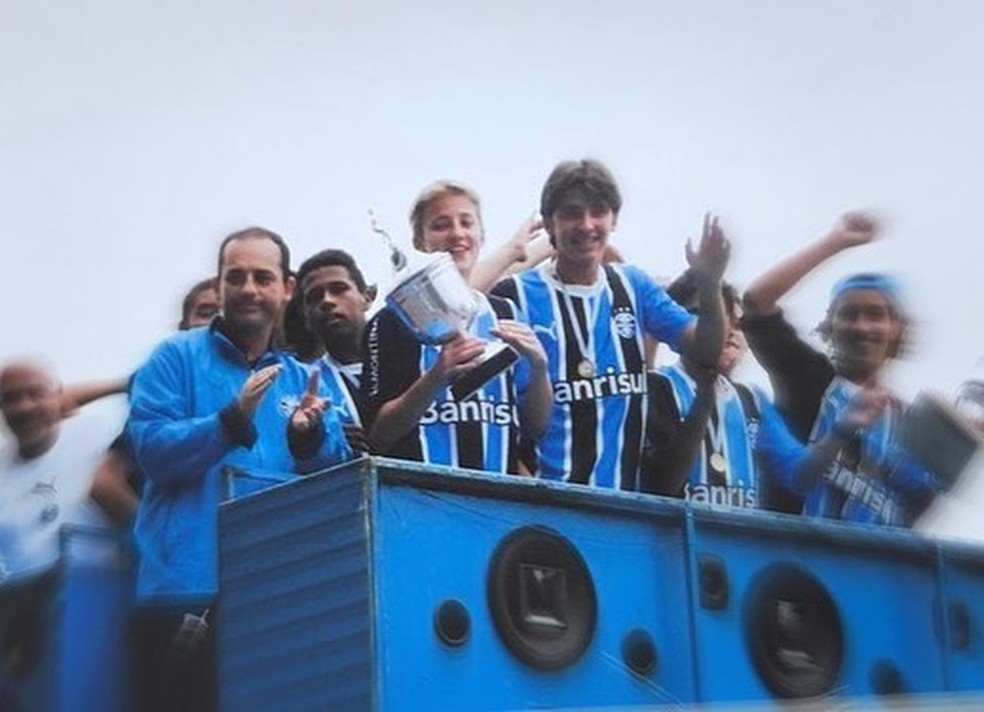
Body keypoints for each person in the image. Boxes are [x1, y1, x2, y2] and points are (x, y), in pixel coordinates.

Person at [126, 227, 353, 712]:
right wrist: (230, 420)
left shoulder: (302, 378)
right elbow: (151, 451)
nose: (249, 288)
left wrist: (307, 437)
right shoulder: (174, 357)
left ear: (286, 289)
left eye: (263, 277)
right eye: (237, 277)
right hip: (185, 594)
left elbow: (337, 476)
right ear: (220, 284)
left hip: (276, 599)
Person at [491, 158, 729, 489]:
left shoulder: (633, 286)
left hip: (621, 508)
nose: (587, 224)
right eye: (572, 213)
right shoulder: (515, 295)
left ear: (613, 218)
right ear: (549, 223)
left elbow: (706, 351)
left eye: (598, 211)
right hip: (546, 504)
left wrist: (710, 283)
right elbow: (519, 420)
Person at [741, 213, 940, 525]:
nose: (861, 326)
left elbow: (919, 511)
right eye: (849, 314)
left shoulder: (910, 424)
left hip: (871, 568)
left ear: (897, 328)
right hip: (791, 562)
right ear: (830, 326)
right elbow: (756, 301)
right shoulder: (808, 378)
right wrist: (835, 242)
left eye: (875, 315)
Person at [362, 181, 552, 474]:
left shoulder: (506, 312)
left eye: (466, 222)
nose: (457, 234)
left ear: (481, 234)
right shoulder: (390, 321)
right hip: (422, 500)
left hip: (498, 502)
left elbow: (536, 426)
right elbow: (379, 436)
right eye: (441, 225)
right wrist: (437, 377)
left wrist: (539, 367)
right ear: (420, 240)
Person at [0, 359, 120, 580]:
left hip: (95, 594)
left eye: (35, 394)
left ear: (60, 397)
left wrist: (123, 383)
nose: (24, 407)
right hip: (17, 602)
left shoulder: (100, 432)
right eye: (10, 398)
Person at [293, 248, 377, 451]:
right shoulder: (299, 382)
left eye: (338, 289)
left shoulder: (414, 362)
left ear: (367, 297)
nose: (327, 301)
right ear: (305, 316)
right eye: (314, 297)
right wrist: (325, 440)